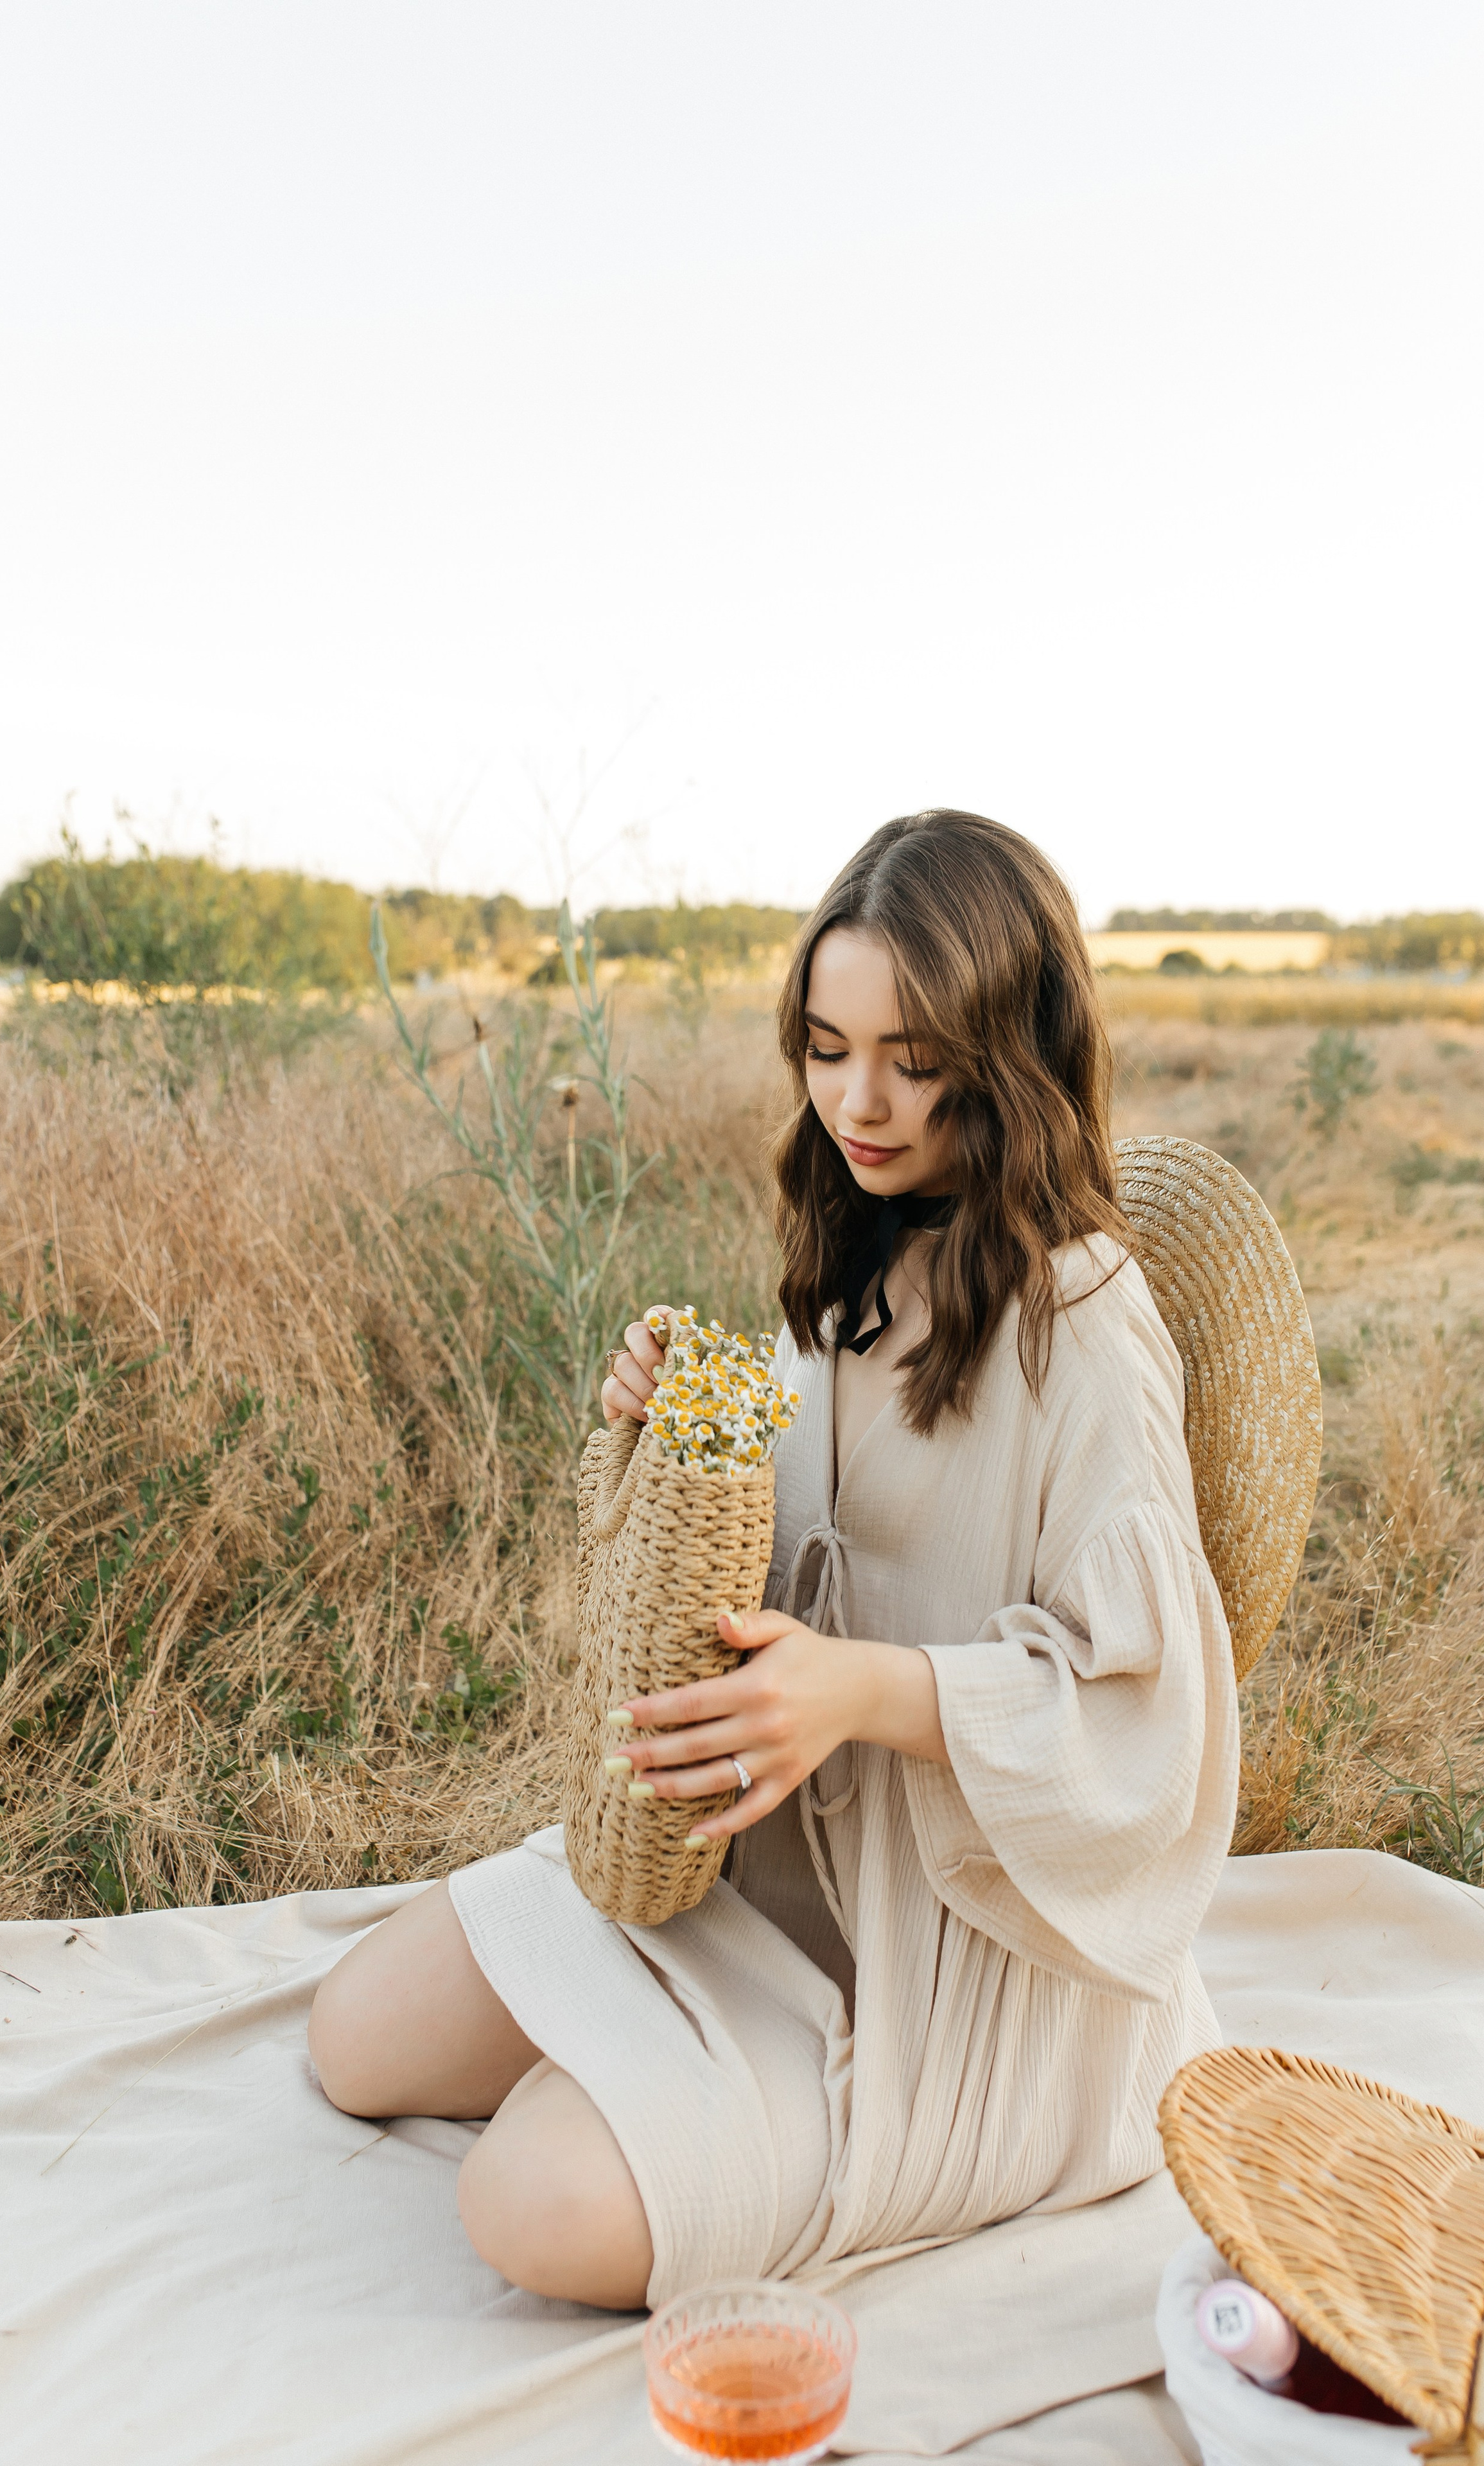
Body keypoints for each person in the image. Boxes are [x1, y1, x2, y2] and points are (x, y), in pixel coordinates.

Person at [308, 810, 1238, 2313]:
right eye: (824, 1045)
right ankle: (673, 2062)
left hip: (952, 1961)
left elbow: (1150, 1717)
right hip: (756, 1868)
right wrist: (668, 1421)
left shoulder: (1088, 1321)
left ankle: (709, 2095)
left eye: (914, 1058)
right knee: (355, 2040)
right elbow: (771, 1556)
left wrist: (865, 1693)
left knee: (529, 2208)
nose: (857, 1101)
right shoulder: (855, 1247)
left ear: (1009, 1049)